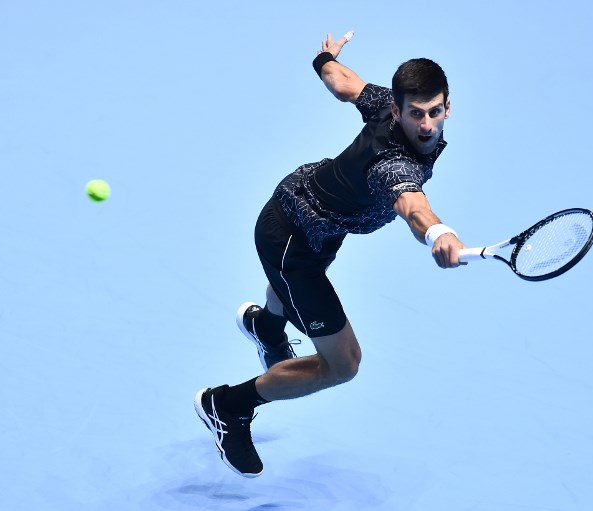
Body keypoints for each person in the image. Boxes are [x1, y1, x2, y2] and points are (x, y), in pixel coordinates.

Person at [194, 31, 465, 478]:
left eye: (435, 112)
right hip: (291, 239)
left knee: (293, 288)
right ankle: (227, 406)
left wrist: (324, 57)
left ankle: (265, 325)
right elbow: (412, 205)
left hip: (312, 220)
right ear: (397, 110)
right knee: (343, 363)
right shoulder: (394, 164)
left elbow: (343, 84)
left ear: (448, 106)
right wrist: (438, 230)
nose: (427, 125)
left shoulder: (382, 101)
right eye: (416, 114)